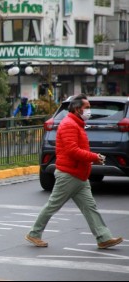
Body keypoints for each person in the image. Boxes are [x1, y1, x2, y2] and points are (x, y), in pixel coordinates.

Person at [26, 94, 124, 249]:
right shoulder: (69, 125)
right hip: (69, 174)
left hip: (80, 175)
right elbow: (73, 151)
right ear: (78, 109)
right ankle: (34, 234)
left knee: (90, 208)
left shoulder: (76, 124)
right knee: (53, 205)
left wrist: (91, 158)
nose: (90, 111)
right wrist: (94, 157)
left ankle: (103, 237)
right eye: (87, 107)